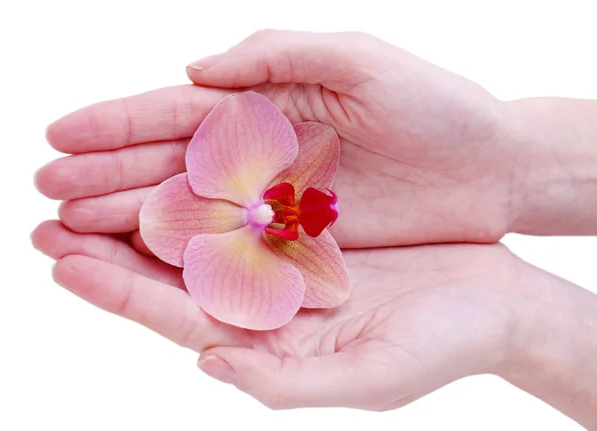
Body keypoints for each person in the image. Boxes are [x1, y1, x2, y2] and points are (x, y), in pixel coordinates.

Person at [32, 30, 597, 429]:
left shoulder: (302, 213)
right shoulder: (194, 211)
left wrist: (524, 317)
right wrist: (518, 164)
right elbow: (164, 217)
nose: (280, 217)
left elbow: (323, 257)